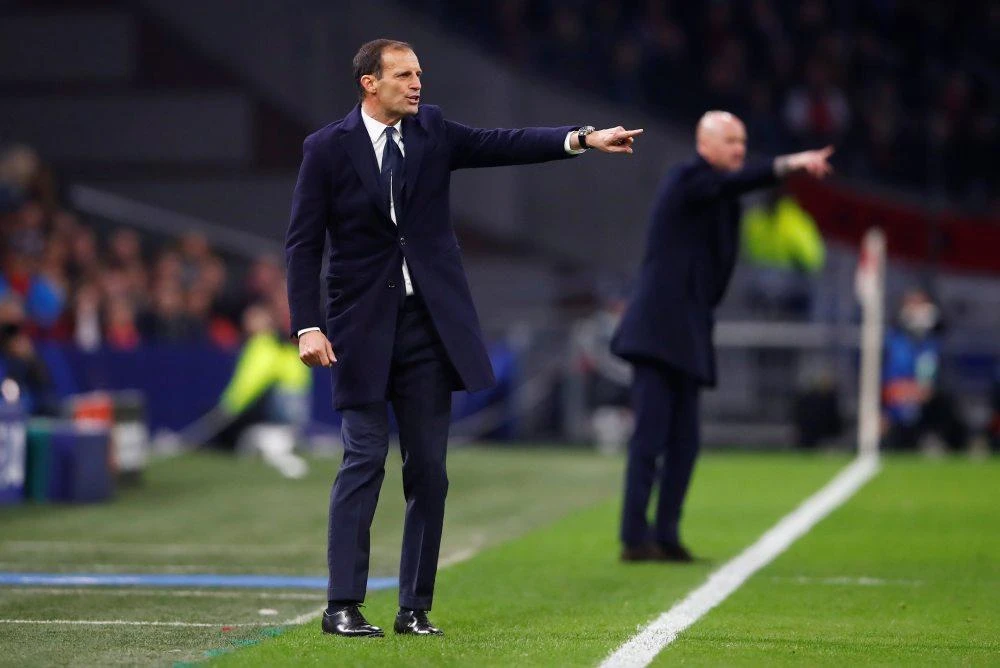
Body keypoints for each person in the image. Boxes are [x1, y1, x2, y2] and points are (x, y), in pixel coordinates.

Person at [286, 38, 642, 638]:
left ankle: (413, 609)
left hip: (428, 328)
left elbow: (504, 144)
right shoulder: (326, 148)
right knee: (363, 460)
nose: (417, 84)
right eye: (404, 75)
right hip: (360, 330)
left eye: (419, 74)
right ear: (370, 83)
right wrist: (307, 323)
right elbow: (302, 243)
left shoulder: (432, 130)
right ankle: (342, 605)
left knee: (429, 470)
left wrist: (583, 138)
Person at [609, 111, 834, 562]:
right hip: (657, 330)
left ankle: (666, 535)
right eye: (731, 141)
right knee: (650, 438)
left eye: (743, 141)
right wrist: (788, 164)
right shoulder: (685, 179)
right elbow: (736, 183)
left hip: (690, 330)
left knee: (685, 443)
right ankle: (635, 537)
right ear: (704, 144)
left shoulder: (723, 195)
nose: (739, 149)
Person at [882, 288, 967, 452]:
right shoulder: (892, 341)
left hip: (925, 405)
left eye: (922, 303)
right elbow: (882, 384)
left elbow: (936, 383)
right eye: (913, 304)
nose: (919, 310)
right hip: (895, 407)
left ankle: (937, 441)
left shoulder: (936, 343)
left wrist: (923, 391)